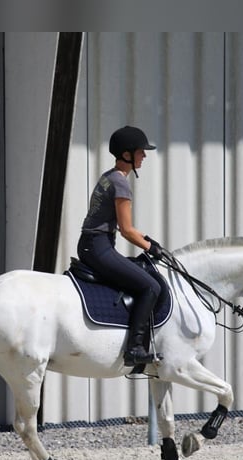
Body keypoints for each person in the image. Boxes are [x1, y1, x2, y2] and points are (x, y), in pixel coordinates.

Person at [77, 125, 164, 366]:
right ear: (127, 153)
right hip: (98, 247)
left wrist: (147, 240)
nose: (144, 156)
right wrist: (151, 248)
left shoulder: (109, 176)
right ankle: (135, 348)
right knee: (151, 287)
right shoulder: (121, 184)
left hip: (91, 244)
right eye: (140, 151)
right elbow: (126, 230)